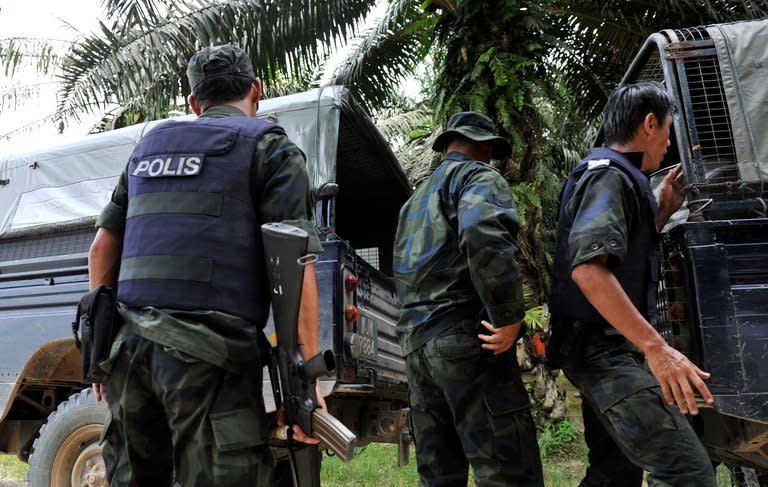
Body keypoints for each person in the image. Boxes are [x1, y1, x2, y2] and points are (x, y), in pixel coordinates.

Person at [87, 44, 324, 486]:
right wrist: (304, 382)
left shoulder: (148, 147)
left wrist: (99, 353)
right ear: (257, 91)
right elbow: (295, 262)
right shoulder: (270, 149)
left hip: (129, 355)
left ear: (195, 102)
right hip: (209, 359)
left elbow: (102, 248)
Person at [548, 81, 717, 486]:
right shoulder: (608, 176)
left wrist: (661, 210)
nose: (669, 141)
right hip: (602, 352)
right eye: (668, 129)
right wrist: (656, 349)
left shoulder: (622, 179)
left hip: (596, 347)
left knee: (614, 473)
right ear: (649, 123)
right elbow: (588, 270)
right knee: (688, 471)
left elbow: (620, 255)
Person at [393, 111, 544, 486]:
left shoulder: (412, 203)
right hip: (465, 343)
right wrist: (509, 316)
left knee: (440, 474)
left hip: (417, 350)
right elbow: (482, 232)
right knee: (508, 470)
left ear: (446, 146)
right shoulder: (478, 176)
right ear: (487, 147)